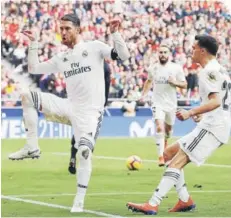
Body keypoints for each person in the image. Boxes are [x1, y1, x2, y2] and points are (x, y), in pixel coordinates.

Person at [8, 13, 129, 212]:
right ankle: (31, 146)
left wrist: (116, 34)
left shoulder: (95, 47)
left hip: (90, 114)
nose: (62, 33)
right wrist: (34, 43)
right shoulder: (62, 57)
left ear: (78, 30)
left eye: (67, 29)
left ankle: (79, 201)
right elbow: (34, 68)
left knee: (84, 152)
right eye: (61, 29)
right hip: (69, 107)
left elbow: (123, 56)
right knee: (26, 96)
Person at [126, 35, 231, 215]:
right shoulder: (219, 70)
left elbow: (216, 102)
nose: (191, 51)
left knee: (177, 162)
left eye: (194, 48)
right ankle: (184, 200)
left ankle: (153, 203)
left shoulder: (208, 72)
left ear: (203, 51)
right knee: (167, 154)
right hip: (211, 124)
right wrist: (202, 115)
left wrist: (192, 112)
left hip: (213, 128)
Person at [141, 44, 187, 166]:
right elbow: (149, 81)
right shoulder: (153, 68)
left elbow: (184, 85)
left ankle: (165, 141)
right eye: (160, 52)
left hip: (171, 104)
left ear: (169, 54)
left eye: (165, 52)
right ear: (158, 54)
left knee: (169, 130)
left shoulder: (176, 68)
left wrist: (174, 82)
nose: (162, 54)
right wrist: (143, 95)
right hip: (157, 102)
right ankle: (161, 156)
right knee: (159, 127)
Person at [68, 60, 111, 174]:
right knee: (91, 134)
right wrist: (104, 102)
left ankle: (73, 157)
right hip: (96, 105)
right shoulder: (105, 67)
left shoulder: (86, 64)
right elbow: (107, 84)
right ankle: (84, 160)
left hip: (82, 103)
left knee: (79, 130)